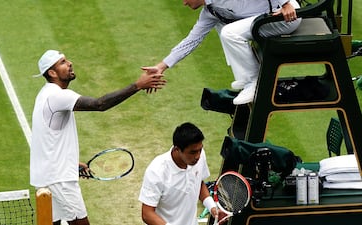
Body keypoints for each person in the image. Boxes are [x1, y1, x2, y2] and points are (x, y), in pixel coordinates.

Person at [30, 49, 165, 225]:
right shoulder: (57, 96)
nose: (69, 63)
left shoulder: (44, 95)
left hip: (48, 177)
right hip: (59, 179)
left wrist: (70, 163)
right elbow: (99, 104)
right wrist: (137, 85)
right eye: (63, 62)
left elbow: (46, 138)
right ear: (52, 72)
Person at [142, 0, 301, 105]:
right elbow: (192, 40)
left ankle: (254, 82)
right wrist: (162, 66)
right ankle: (245, 78)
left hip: (286, 17)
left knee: (229, 32)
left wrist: (285, 3)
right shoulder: (211, 11)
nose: (184, 3)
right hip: (267, 20)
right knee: (224, 28)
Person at [138, 122, 218, 225]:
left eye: (200, 149)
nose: (198, 156)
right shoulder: (156, 171)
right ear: (177, 149)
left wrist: (212, 207)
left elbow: (198, 183)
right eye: (193, 152)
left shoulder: (199, 156)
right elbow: (147, 214)